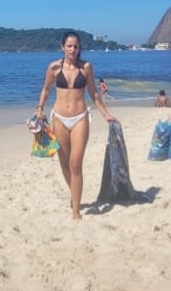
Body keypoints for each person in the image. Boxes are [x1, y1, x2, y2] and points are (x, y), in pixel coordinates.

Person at [36, 31, 117, 221]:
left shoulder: (86, 68)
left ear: (80, 48)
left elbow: (94, 94)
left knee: (75, 164)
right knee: (64, 163)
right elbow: (46, 89)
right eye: (69, 46)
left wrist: (107, 115)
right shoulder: (54, 68)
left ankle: (76, 211)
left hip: (80, 118)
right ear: (62, 47)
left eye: (76, 46)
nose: (72, 49)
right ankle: (74, 195)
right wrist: (39, 109)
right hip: (59, 119)